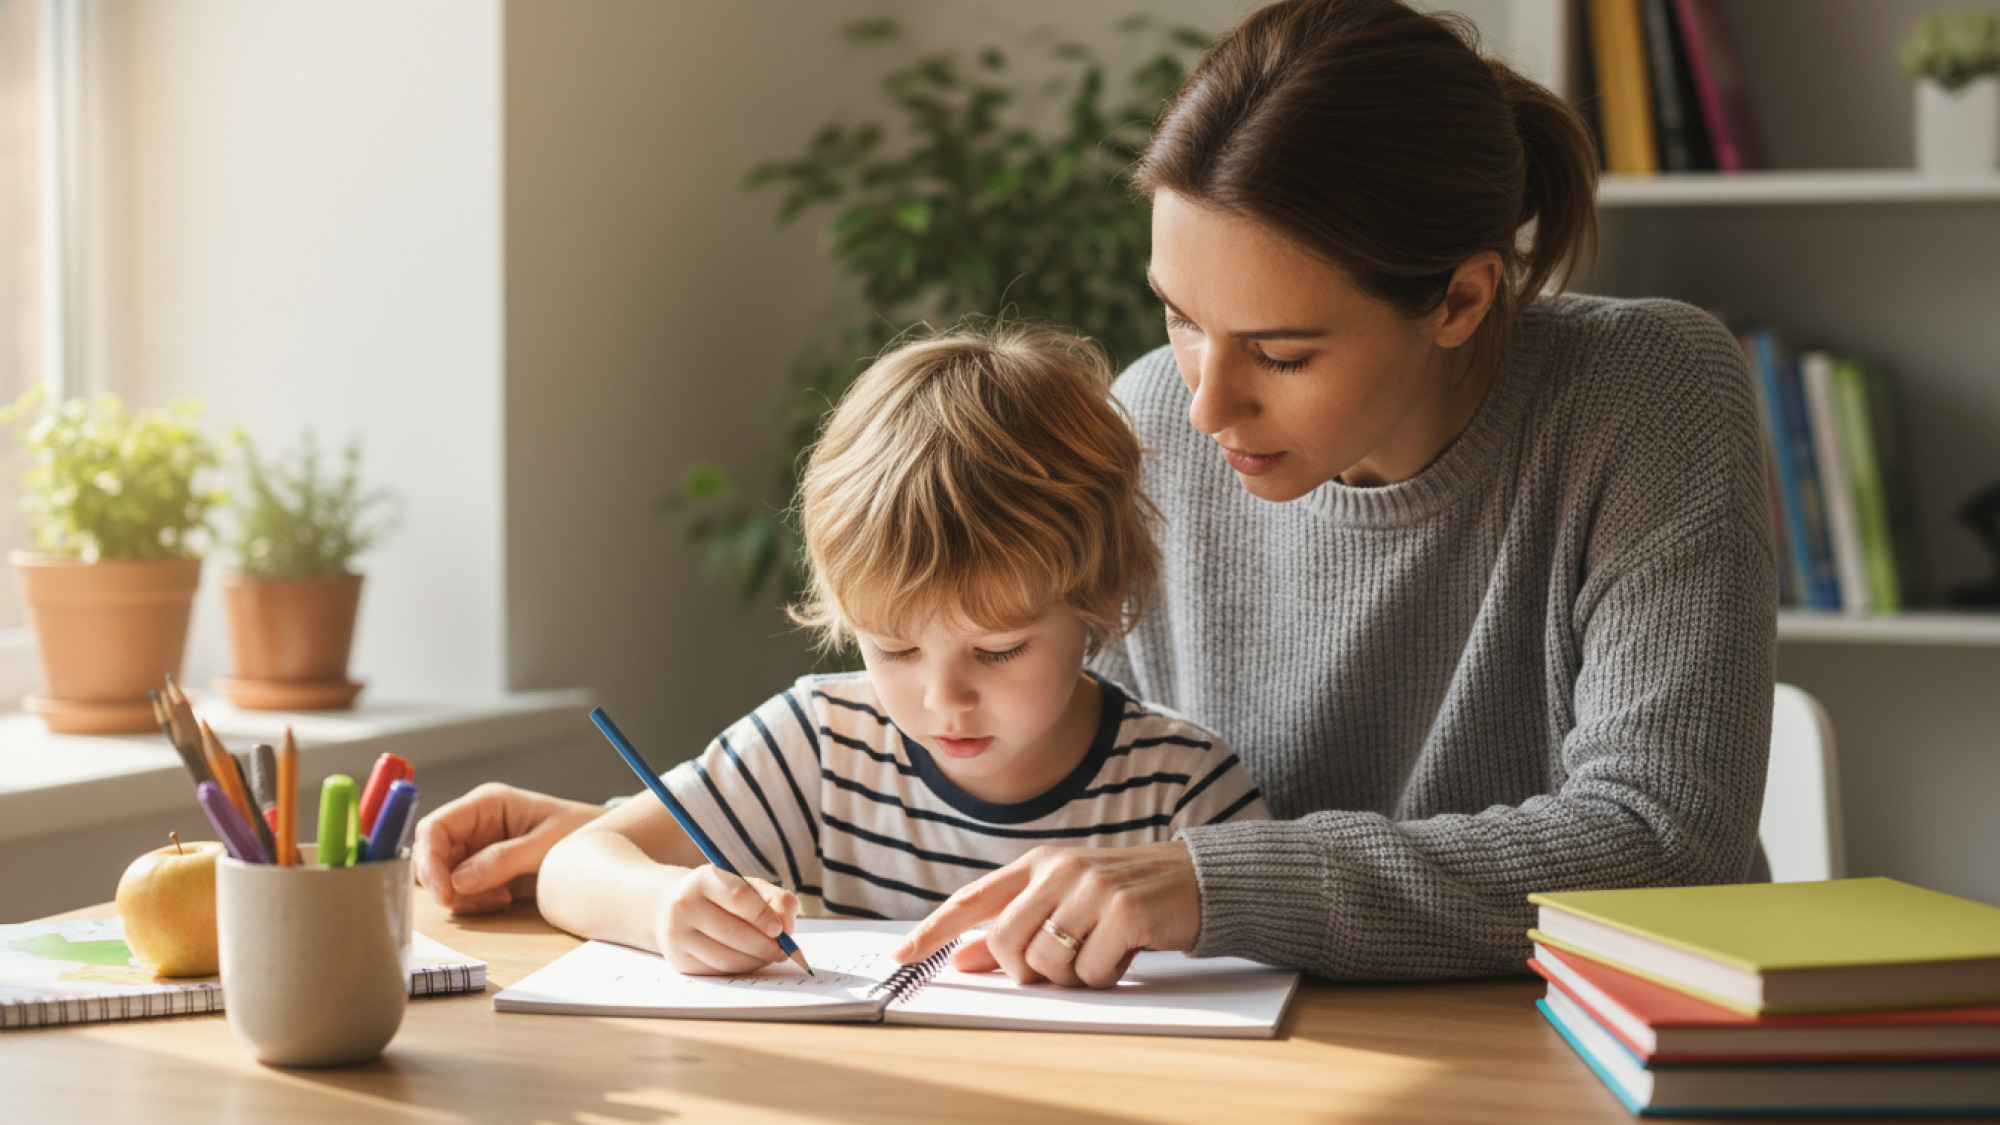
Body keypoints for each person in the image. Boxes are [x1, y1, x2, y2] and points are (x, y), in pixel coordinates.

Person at [417, 0, 1776, 988]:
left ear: (1463, 296)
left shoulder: (1646, 396)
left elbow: (1666, 842)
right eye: (1179, 317)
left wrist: (1213, 884)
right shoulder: (1153, 421)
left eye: (1283, 352)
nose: (1204, 404)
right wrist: (632, 843)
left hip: (1545, 1055)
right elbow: (1038, 760)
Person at [525, 324, 1268, 974]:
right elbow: (573, 864)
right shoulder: (822, 744)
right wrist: (663, 908)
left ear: (1100, 592)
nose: (944, 700)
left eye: (1000, 650)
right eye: (894, 648)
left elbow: (1279, 974)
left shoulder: (1186, 791)